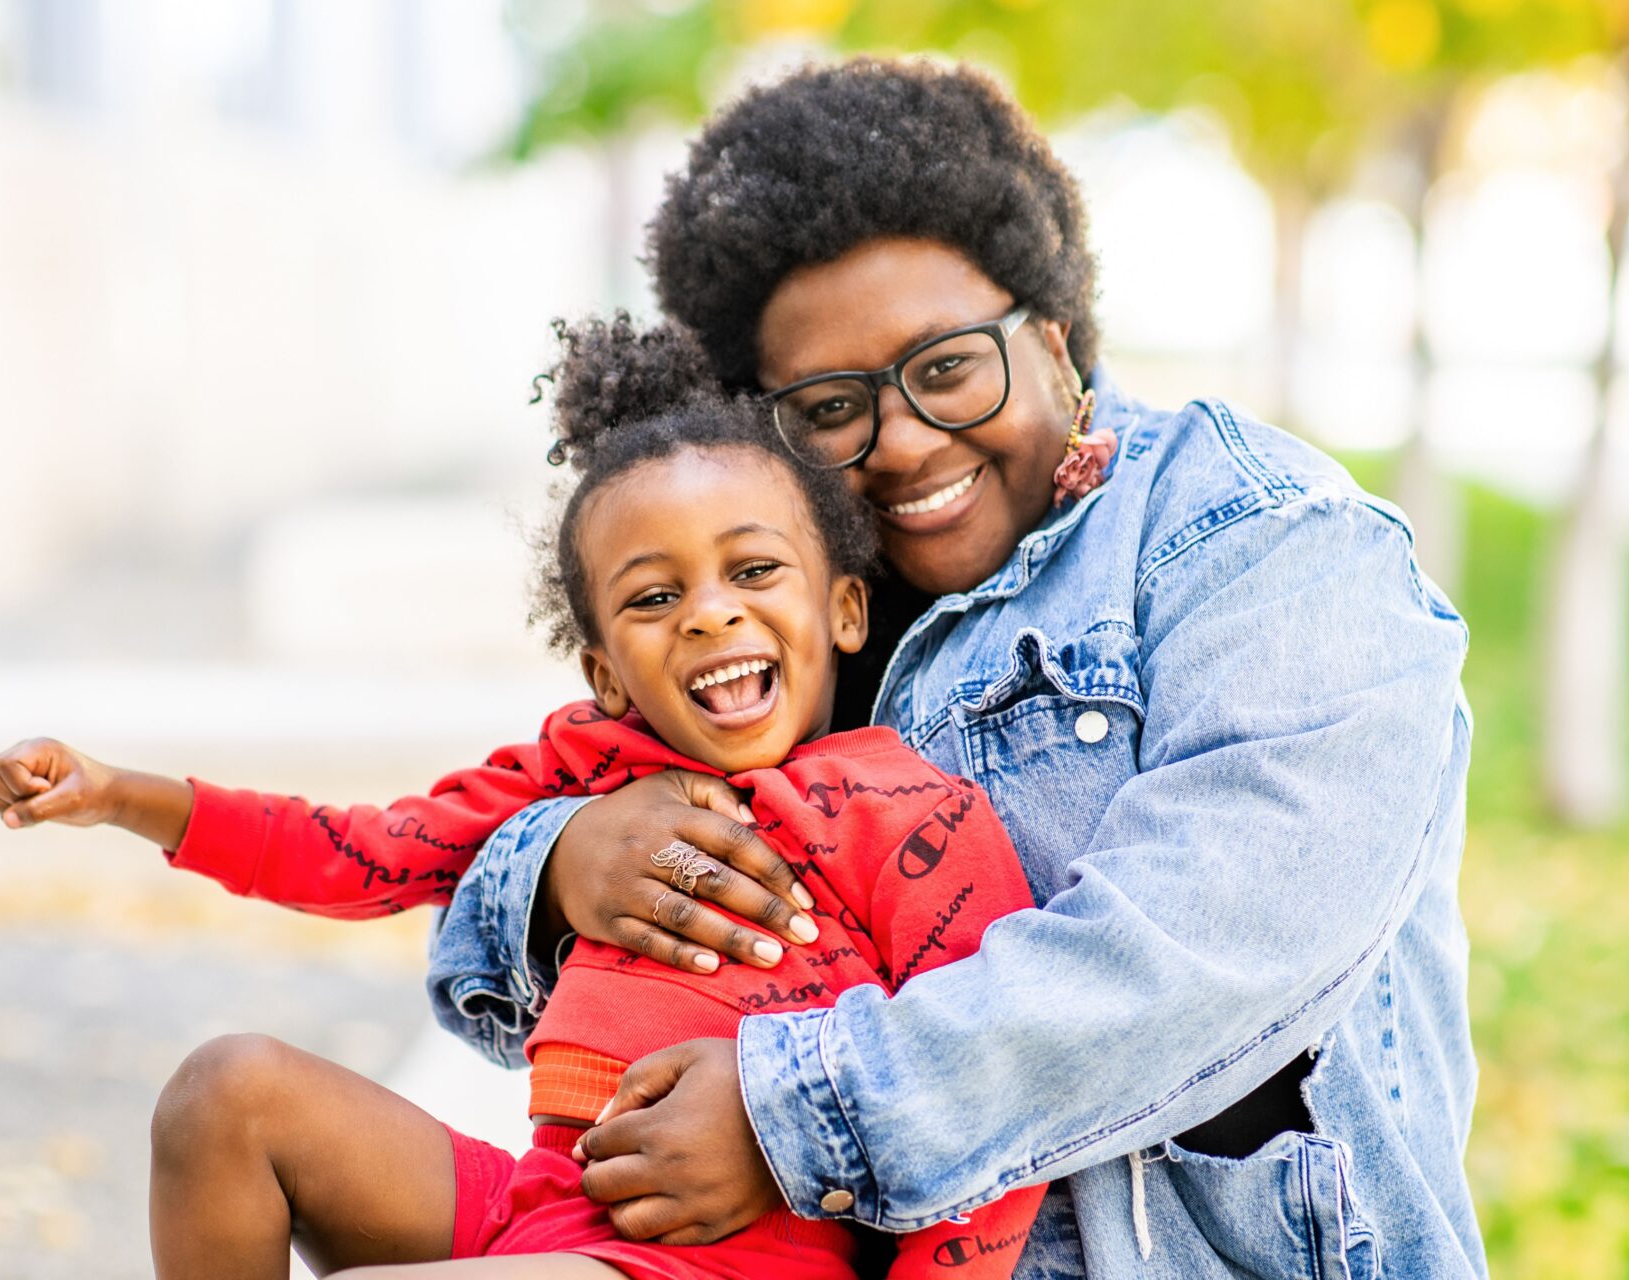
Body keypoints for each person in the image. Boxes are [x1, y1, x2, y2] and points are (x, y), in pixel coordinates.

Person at [429, 59, 1486, 1279]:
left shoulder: (1262, 538)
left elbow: (1210, 941)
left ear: (1052, 335)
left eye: (947, 369)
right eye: (830, 406)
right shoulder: (795, 598)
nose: (905, 442)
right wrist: (562, 864)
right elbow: (521, 937)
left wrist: (794, 1115)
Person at [0, 316, 1047, 1280]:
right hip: (540, 1207)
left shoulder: (908, 809)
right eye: (655, 595)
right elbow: (361, 851)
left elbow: (993, 1079)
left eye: (753, 571)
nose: (710, 615)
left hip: (736, 1257)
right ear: (605, 672)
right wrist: (124, 795)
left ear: (846, 608)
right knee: (225, 1091)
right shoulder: (581, 768)